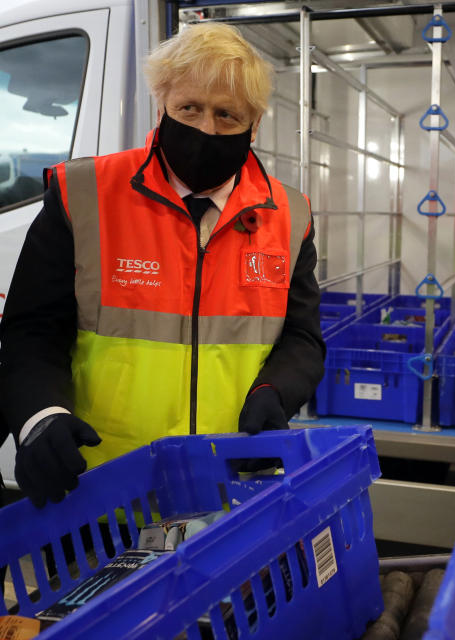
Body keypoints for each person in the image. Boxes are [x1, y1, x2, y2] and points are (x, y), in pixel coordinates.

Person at [0, 23, 325, 507]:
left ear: (255, 125)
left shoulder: (289, 215)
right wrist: (40, 415)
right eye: (189, 108)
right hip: (100, 491)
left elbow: (302, 337)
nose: (206, 129)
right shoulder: (83, 196)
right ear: (162, 105)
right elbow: (31, 331)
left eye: (227, 115)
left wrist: (276, 391)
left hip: (229, 491)